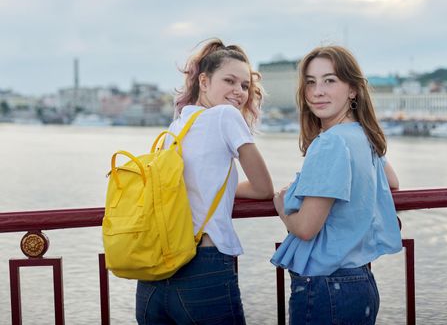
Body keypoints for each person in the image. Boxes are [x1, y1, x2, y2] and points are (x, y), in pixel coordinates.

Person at [135, 39, 274, 325]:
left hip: (154, 274)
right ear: (204, 81)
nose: (239, 92)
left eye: (245, 85)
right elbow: (263, 188)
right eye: (230, 81)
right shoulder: (225, 116)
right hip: (202, 267)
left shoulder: (175, 127)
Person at [271, 45, 402, 325]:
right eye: (310, 82)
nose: (317, 91)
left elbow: (306, 228)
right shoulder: (363, 136)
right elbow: (392, 181)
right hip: (359, 282)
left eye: (330, 80)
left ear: (353, 89)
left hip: (326, 287)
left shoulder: (331, 142)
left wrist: (281, 206)